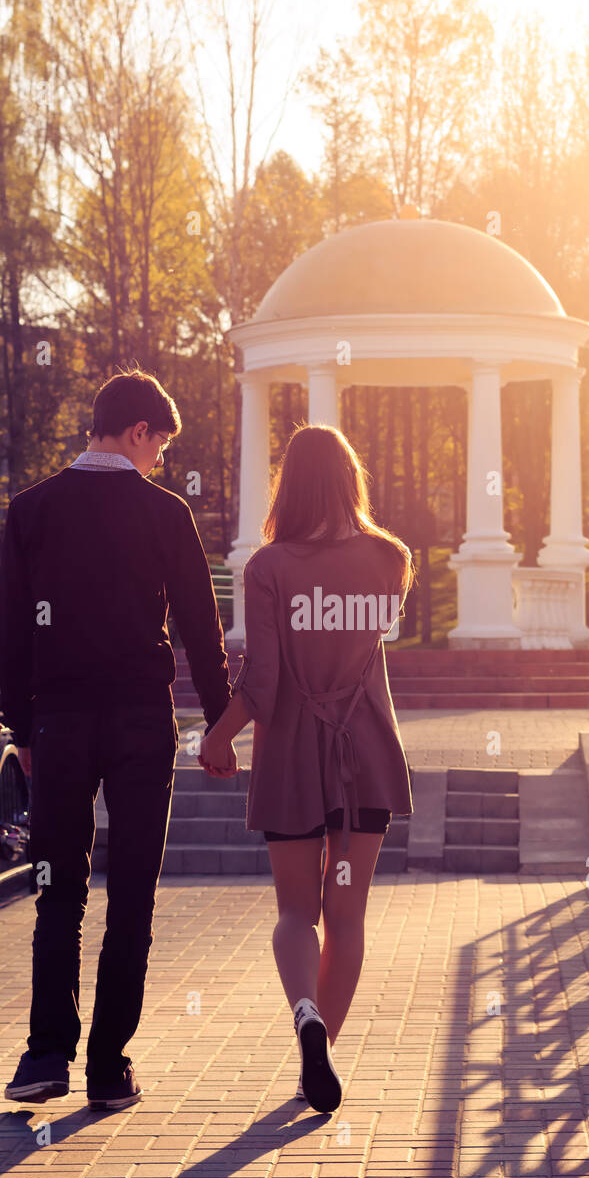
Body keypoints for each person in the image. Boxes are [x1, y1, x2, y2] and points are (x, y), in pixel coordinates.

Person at [0, 368, 234, 1111]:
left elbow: (11, 633)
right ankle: (107, 1065)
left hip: (60, 720)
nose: (159, 458)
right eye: (159, 443)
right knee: (132, 891)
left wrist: (25, 725)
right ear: (138, 431)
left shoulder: (30, 509)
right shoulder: (165, 515)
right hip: (139, 722)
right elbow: (201, 629)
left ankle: (44, 1056)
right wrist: (222, 725)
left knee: (54, 888)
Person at [200, 424, 413, 1113]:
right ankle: (318, 1054)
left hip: (292, 754)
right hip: (366, 756)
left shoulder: (265, 569)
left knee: (296, 912)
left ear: (286, 485)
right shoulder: (391, 558)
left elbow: (262, 681)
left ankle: (305, 1015)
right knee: (345, 914)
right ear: (353, 480)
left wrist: (218, 738)